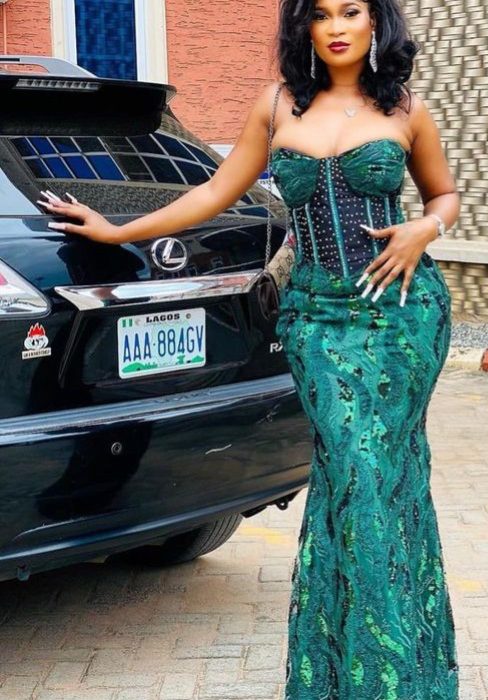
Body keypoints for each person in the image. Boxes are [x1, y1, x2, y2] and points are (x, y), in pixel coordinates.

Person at [37, 0, 461, 696]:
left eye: (351, 11)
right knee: (355, 476)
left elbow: (443, 196)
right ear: (304, 28)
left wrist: (425, 228)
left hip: (402, 318)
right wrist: (117, 231)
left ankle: (390, 671)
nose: (336, 26)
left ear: (375, 22)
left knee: (384, 480)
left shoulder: (406, 110)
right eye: (320, 14)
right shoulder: (276, 105)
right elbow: (213, 190)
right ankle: (358, 673)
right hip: (318, 322)